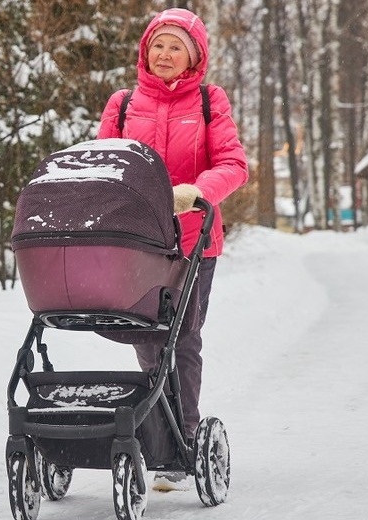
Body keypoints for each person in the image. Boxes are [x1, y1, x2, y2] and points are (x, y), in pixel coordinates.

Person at [97, 8, 248, 490]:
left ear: (193, 55)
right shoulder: (122, 104)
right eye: (158, 44)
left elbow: (233, 162)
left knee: (181, 337)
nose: (164, 54)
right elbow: (105, 161)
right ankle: (156, 434)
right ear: (146, 49)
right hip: (138, 243)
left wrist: (199, 190)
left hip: (192, 241)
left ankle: (180, 440)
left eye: (175, 46)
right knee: (146, 336)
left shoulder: (209, 101)